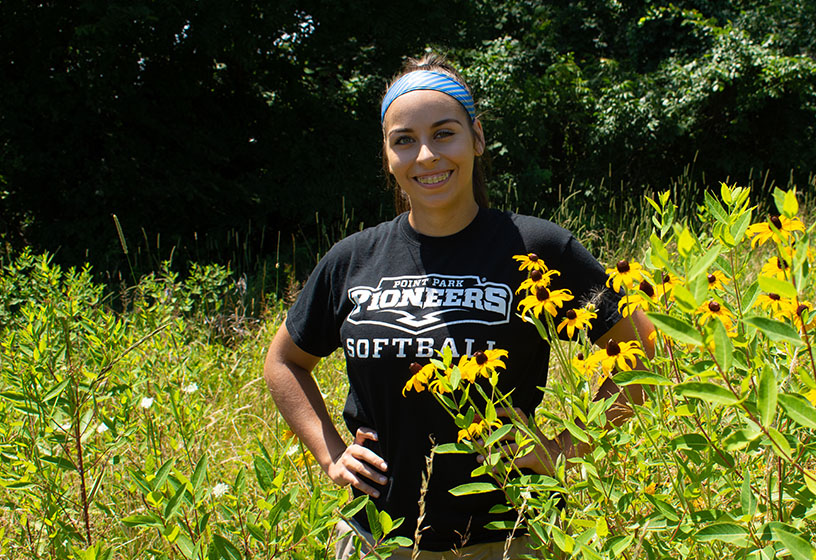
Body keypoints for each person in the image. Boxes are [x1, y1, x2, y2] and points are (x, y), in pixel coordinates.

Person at [263, 53, 654, 559]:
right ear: (387, 156)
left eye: (443, 133)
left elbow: (645, 347)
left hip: (507, 537)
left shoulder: (538, 247)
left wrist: (566, 447)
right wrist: (331, 453)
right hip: (377, 539)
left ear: (477, 138)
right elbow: (283, 361)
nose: (426, 155)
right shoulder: (352, 258)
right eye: (404, 140)